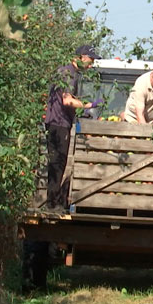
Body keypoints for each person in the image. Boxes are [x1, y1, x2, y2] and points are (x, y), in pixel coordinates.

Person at [44, 45, 103, 212]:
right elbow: (67, 100)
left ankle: (52, 202)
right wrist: (88, 105)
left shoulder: (68, 72)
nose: (91, 66)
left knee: (57, 162)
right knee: (57, 162)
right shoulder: (68, 73)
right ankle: (52, 204)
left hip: (58, 122)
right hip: (58, 123)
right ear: (82, 57)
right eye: (91, 61)